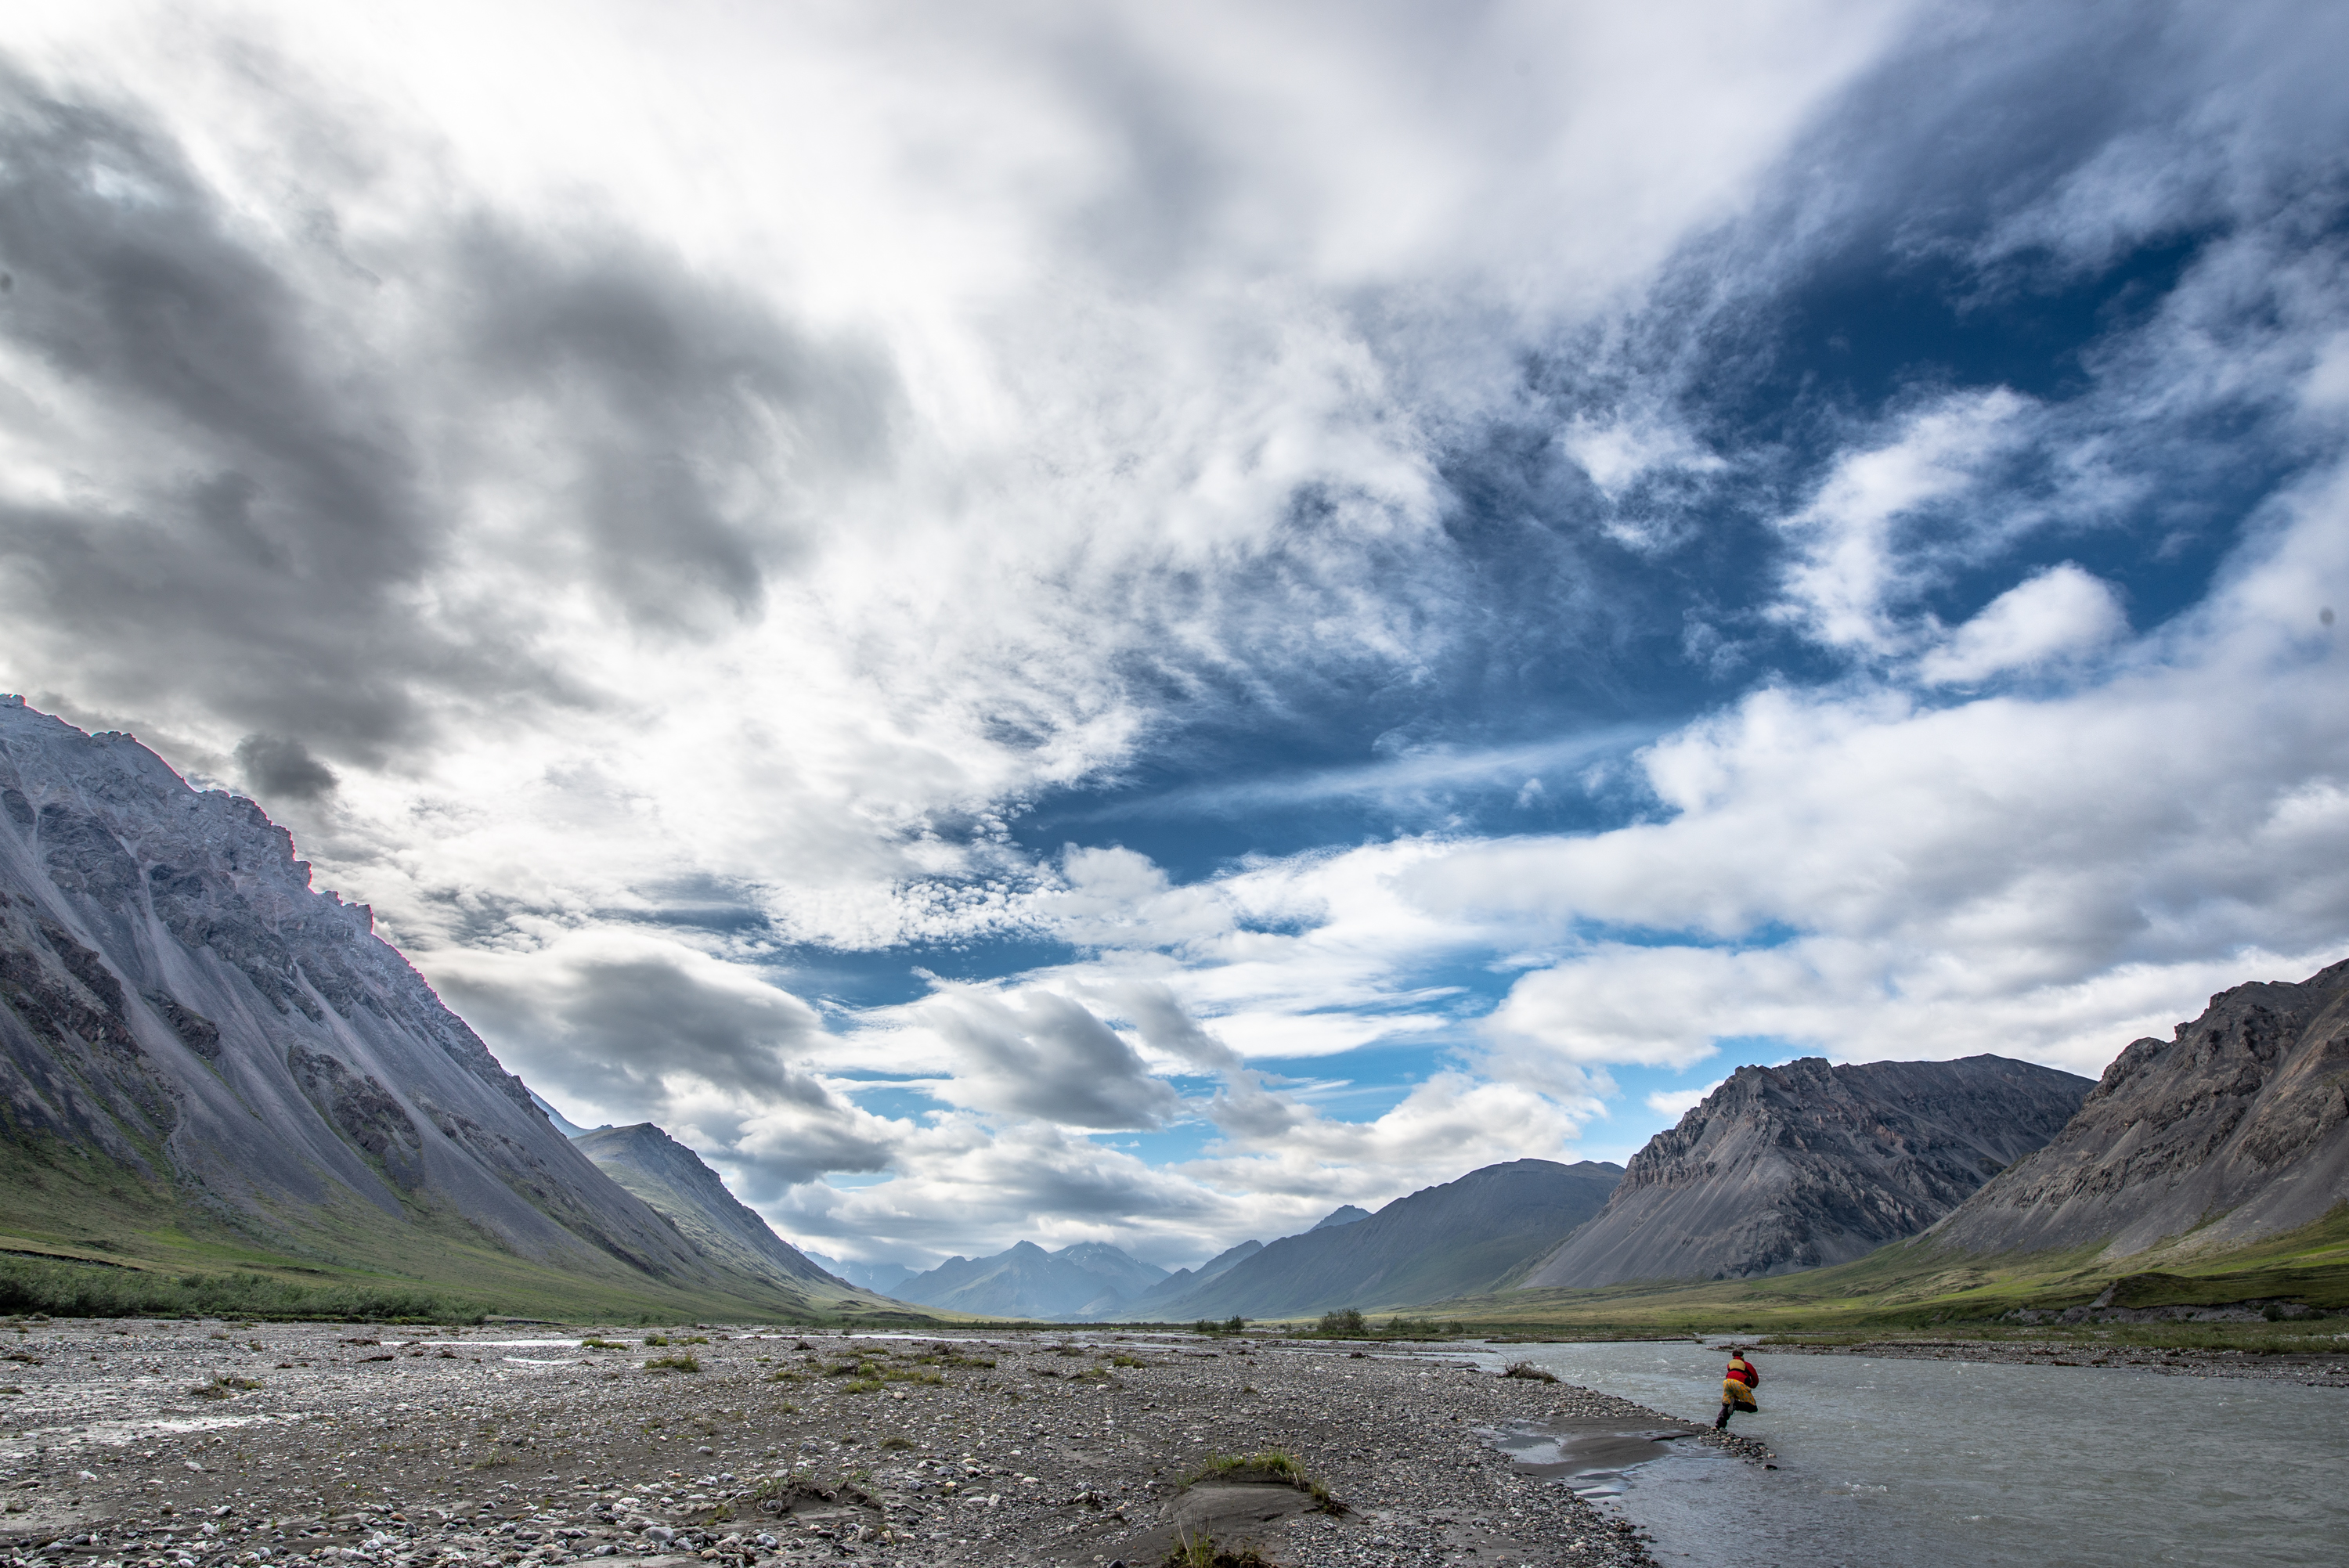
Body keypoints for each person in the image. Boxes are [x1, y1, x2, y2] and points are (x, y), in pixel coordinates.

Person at [1714, 1346, 1760, 1429]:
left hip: (1727, 1382)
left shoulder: (1730, 1364)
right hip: (1739, 1384)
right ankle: (1736, 1404)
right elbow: (1755, 1379)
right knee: (1753, 1407)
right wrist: (1751, 1386)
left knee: (1726, 1404)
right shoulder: (1747, 1365)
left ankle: (1719, 1426)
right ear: (1742, 1357)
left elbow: (1732, 1374)